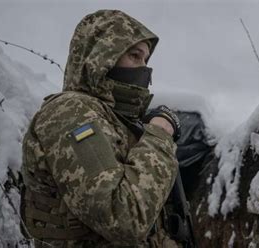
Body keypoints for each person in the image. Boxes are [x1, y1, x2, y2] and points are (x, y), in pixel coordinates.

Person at [21, 9, 182, 247]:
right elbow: (124, 217)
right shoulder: (70, 112)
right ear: (102, 56)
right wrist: (159, 133)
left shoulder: (110, 118)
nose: (144, 69)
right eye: (135, 56)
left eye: (146, 60)